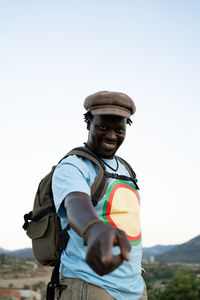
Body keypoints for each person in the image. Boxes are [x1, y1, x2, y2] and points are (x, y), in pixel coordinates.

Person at [52, 91, 147, 300]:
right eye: (103, 127)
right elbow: (76, 202)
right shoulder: (73, 165)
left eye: (119, 130)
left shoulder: (125, 169)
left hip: (135, 288)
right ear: (88, 124)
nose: (112, 136)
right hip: (92, 286)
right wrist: (94, 228)